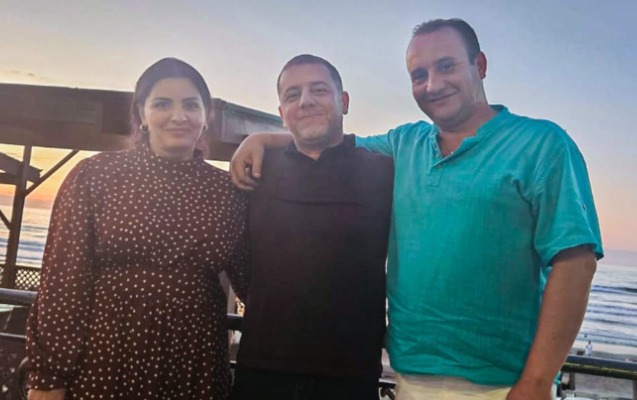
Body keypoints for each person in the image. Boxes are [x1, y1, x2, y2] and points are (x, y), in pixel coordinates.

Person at [230, 19, 603, 400]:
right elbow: (329, 140)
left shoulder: (542, 144)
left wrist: (537, 382)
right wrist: (262, 139)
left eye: (446, 66)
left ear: (480, 65)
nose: (432, 85)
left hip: (504, 383)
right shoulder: (404, 144)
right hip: (411, 376)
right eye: (418, 75)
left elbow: (575, 261)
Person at [26, 58, 249, 400]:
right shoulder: (95, 175)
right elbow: (63, 281)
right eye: (162, 104)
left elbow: (255, 283)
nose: (178, 115)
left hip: (194, 364)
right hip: (104, 358)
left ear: (207, 117)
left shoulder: (229, 191)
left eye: (191, 105)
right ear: (142, 114)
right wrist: (48, 378)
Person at [229, 55, 393, 400]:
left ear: (344, 101)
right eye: (293, 95)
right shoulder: (257, 169)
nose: (305, 101)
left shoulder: (384, 171)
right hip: (261, 370)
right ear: (282, 112)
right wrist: (259, 140)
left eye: (319, 90)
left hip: (350, 376)